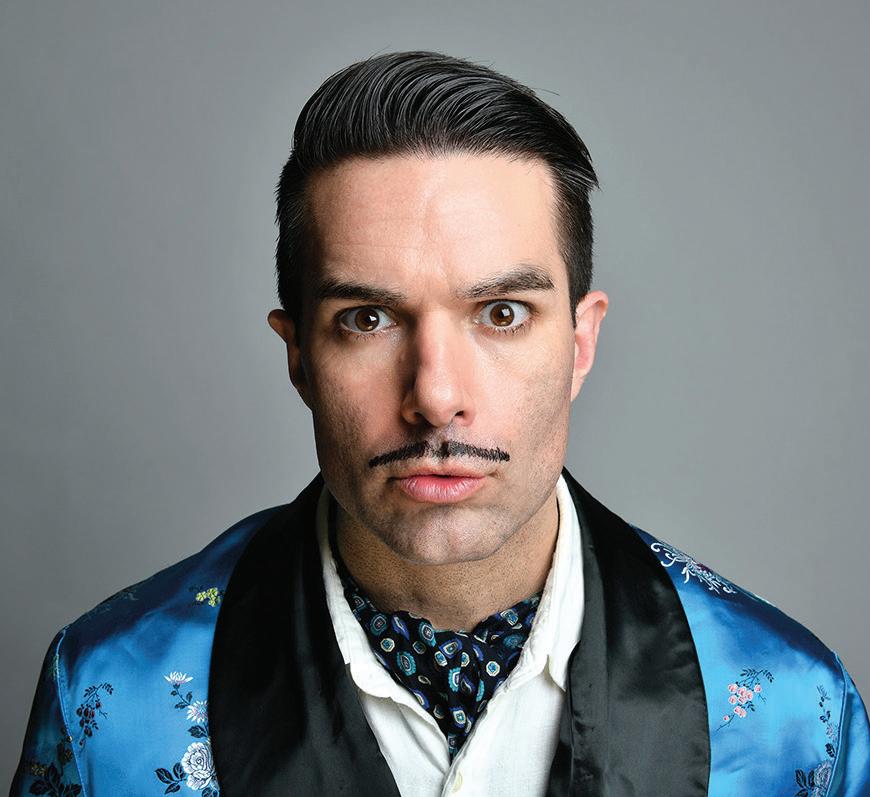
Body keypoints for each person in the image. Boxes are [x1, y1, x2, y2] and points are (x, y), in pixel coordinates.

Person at [10, 50, 869, 797]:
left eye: (501, 313)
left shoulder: (793, 711)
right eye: (368, 319)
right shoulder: (112, 702)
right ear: (298, 354)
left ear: (580, 343)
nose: (436, 396)